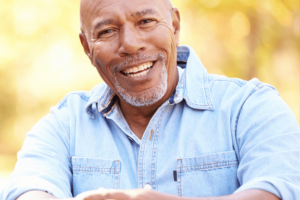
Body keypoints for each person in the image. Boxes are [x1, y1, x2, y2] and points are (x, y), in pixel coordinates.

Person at [3, 0, 300, 199]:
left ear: (175, 26)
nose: (130, 45)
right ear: (86, 46)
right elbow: (30, 191)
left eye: (145, 21)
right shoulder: (63, 127)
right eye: (107, 31)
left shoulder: (251, 108)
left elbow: (279, 190)